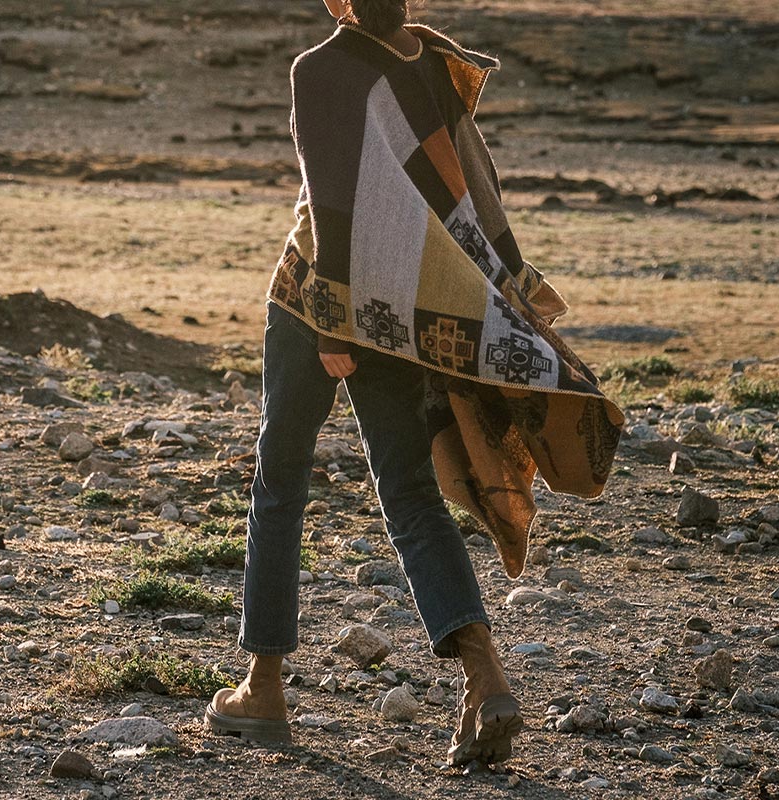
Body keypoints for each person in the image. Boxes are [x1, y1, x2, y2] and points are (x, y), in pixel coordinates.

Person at [205, 0, 623, 767]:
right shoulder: (430, 64)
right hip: (404, 313)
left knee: (281, 475)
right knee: (408, 490)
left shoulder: (321, 69)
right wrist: (512, 278)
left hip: (316, 303)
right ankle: (485, 680)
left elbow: (331, 200)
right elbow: (474, 191)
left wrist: (334, 323)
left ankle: (262, 689)